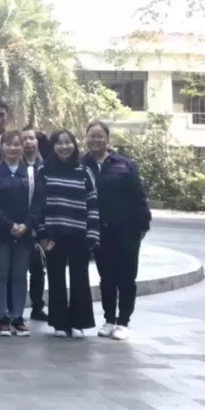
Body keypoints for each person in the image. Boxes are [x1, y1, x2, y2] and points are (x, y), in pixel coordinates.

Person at [83, 120, 151, 341]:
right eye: (92, 135)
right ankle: (109, 319)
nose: (95, 140)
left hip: (126, 229)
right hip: (99, 230)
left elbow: (138, 195)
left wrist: (143, 223)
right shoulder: (82, 165)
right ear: (86, 138)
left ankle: (123, 322)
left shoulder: (124, 164)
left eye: (100, 136)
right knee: (106, 277)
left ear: (107, 138)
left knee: (127, 277)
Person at [39, 130, 99, 338]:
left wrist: (93, 234)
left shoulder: (84, 171)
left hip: (79, 235)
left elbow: (92, 203)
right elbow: (38, 204)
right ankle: (59, 323)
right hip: (53, 236)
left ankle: (78, 323)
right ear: (52, 147)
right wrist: (43, 235)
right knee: (56, 278)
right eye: (59, 143)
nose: (64, 147)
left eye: (68, 142)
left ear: (74, 145)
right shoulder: (44, 171)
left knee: (79, 279)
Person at [0, 130, 44, 337]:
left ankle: (18, 316)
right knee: (0, 274)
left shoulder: (31, 173)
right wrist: (9, 225)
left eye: (17, 144)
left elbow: (38, 203)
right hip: (0, 232)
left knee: (19, 275)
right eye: (8, 144)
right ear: (2, 147)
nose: (13, 148)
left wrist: (26, 225)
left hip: (24, 233)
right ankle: (3, 316)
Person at [20, 126, 48, 322]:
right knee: (18, 270)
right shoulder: (15, 166)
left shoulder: (45, 166)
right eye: (24, 139)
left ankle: (37, 307)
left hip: (41, 226)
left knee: (38, 269)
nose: (28, 142)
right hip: (20, 224)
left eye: (31, 138)